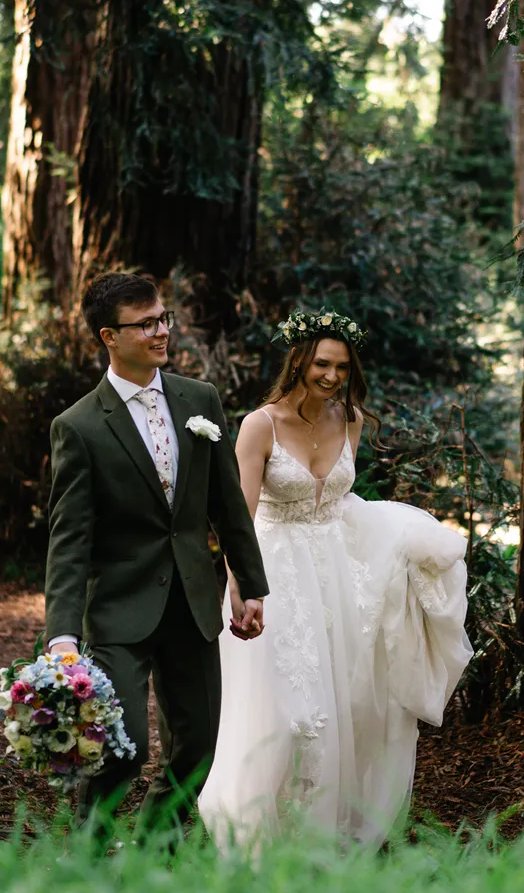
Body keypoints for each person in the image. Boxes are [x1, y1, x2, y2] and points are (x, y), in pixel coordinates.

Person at [197, 309, 472, 848]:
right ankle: (261, 828)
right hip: (276, 575)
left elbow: (343, 501)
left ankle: (324, 835)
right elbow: (238, 518)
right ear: (298, 359)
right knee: (286, 712)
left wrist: (398, 546)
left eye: (342, 367)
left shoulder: (351, 419)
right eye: (322, 364)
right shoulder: (261, 425)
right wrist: (239, 588)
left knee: (348, 704)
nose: (331, 376)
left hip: (340, 577)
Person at [42, 272, 269, 832]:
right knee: (122, 748)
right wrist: (62, 636)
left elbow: (227, 506)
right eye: (145, 324)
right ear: (108, 337)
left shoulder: (200, 401)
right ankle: (89, 847)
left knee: (198, 748)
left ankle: (153, 852)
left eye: (162, 318)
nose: (161, 331)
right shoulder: (78, 427)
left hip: (192, 603)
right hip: (119, 608)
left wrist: (250, 585)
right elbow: (69, 540)